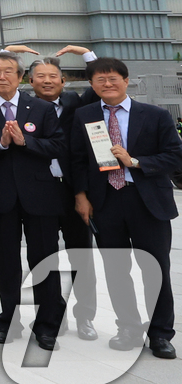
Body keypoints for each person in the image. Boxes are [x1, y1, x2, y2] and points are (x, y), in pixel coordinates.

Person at [71, 57, 182, 359]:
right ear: (92, 85)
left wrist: (136, 162)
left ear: (126, 80)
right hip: (106, 201)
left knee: (155, 269)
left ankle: (160, 333)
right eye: (100, 80)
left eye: (113, 78)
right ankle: (129, 328)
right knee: (116, 269)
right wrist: (81, 196)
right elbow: (77, 159)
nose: (107, 84)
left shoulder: (155, 115)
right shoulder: (85, 115)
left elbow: (174, 156)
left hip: (147, 201)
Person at [0, 50, 64, 350]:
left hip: (40, 195)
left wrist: (26, 142)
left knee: (44, 260)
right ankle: (8, 321)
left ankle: (47, 325)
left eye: (8, 71)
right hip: (0, 196)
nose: (1, 76)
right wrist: (0, 142)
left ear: (20, 76)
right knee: (7, 262)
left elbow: (57, 145)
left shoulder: (40, 107)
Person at [20, 50, 100, 341]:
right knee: (43, 258)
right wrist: (10, 52)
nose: (47, 80)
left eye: (53, 76)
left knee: (82, 256)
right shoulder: (22, 108)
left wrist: (87, 54)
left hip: (74, 190)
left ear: (63, 81)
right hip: (38, 193)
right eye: (40, 76)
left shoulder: (74, 103)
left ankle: (86, 316)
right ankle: (51, 317)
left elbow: (98, 82)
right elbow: (0, 78)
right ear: (30, 81)